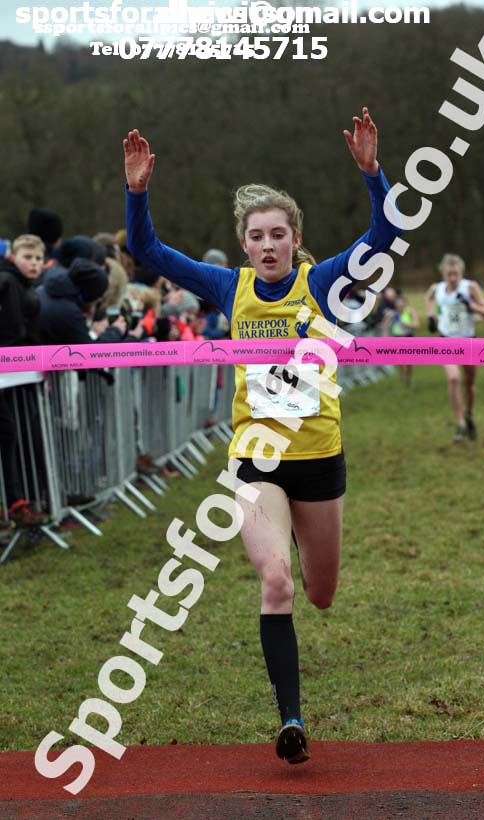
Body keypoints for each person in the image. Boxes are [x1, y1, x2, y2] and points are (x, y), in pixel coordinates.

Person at [124, 107, 401, 764]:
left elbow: (386, 235)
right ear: (244, 244)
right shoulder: (229, 286)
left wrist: (373, 174)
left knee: (319, 591)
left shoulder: (323, 281)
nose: (268, 244)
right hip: (255, 457)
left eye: (279, 233)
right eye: (257, 235)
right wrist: (138, 193)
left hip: (317, 457)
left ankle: (308, 570)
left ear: (295, 237)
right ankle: (291, 721)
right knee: (274, 579)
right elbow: (148, 253)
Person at [0, 234, 50, 528]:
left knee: (15, 433)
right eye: (27, 257)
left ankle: (20, 501)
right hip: (8, 372)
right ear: (13, 257)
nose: (33, 263)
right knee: (7, 433)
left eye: (37, 258)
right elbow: (15, 332)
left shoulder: (25, 286)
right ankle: (15, 503)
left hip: (17, 376)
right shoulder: (6, 282)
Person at [426, 254, 484, 442]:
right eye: (449, 274)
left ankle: (469, 414)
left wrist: (471, 305)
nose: (453, 278)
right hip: (446, 341)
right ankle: (460, 423)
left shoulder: (470, 287)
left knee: (469, 384)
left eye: (456, 274)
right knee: (454, 378)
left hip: (469, 342)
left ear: (461, 272)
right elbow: (429, 297)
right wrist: (430, 316)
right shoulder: (436, 289)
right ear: (443, 273)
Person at [386, 292, 420, 387]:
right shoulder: (392, 313)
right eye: (398, 303)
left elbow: (417, 324)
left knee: (409, 361)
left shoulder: (409, 311)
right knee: (400, 359)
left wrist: (407, 323)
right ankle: (401, 374)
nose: (400, 305)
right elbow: (384, 325)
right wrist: (384, 335)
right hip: (397, 338)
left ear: (405, 303)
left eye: (402, 303)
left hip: (408, 337)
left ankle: (409, 378)